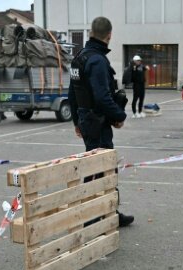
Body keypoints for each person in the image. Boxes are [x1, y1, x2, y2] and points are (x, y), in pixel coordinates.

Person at [68, 16, 134, 227]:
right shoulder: (97, 60)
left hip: (88, 120)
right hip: (97, 122)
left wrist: (76, 121)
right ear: (109, 35)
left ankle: (108, 212)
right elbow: (102, 97)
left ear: (90, 33)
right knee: (101, 170)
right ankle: (93, 218)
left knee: (99, 169)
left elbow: (72, 93)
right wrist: (120, 116)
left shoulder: (79, 57)